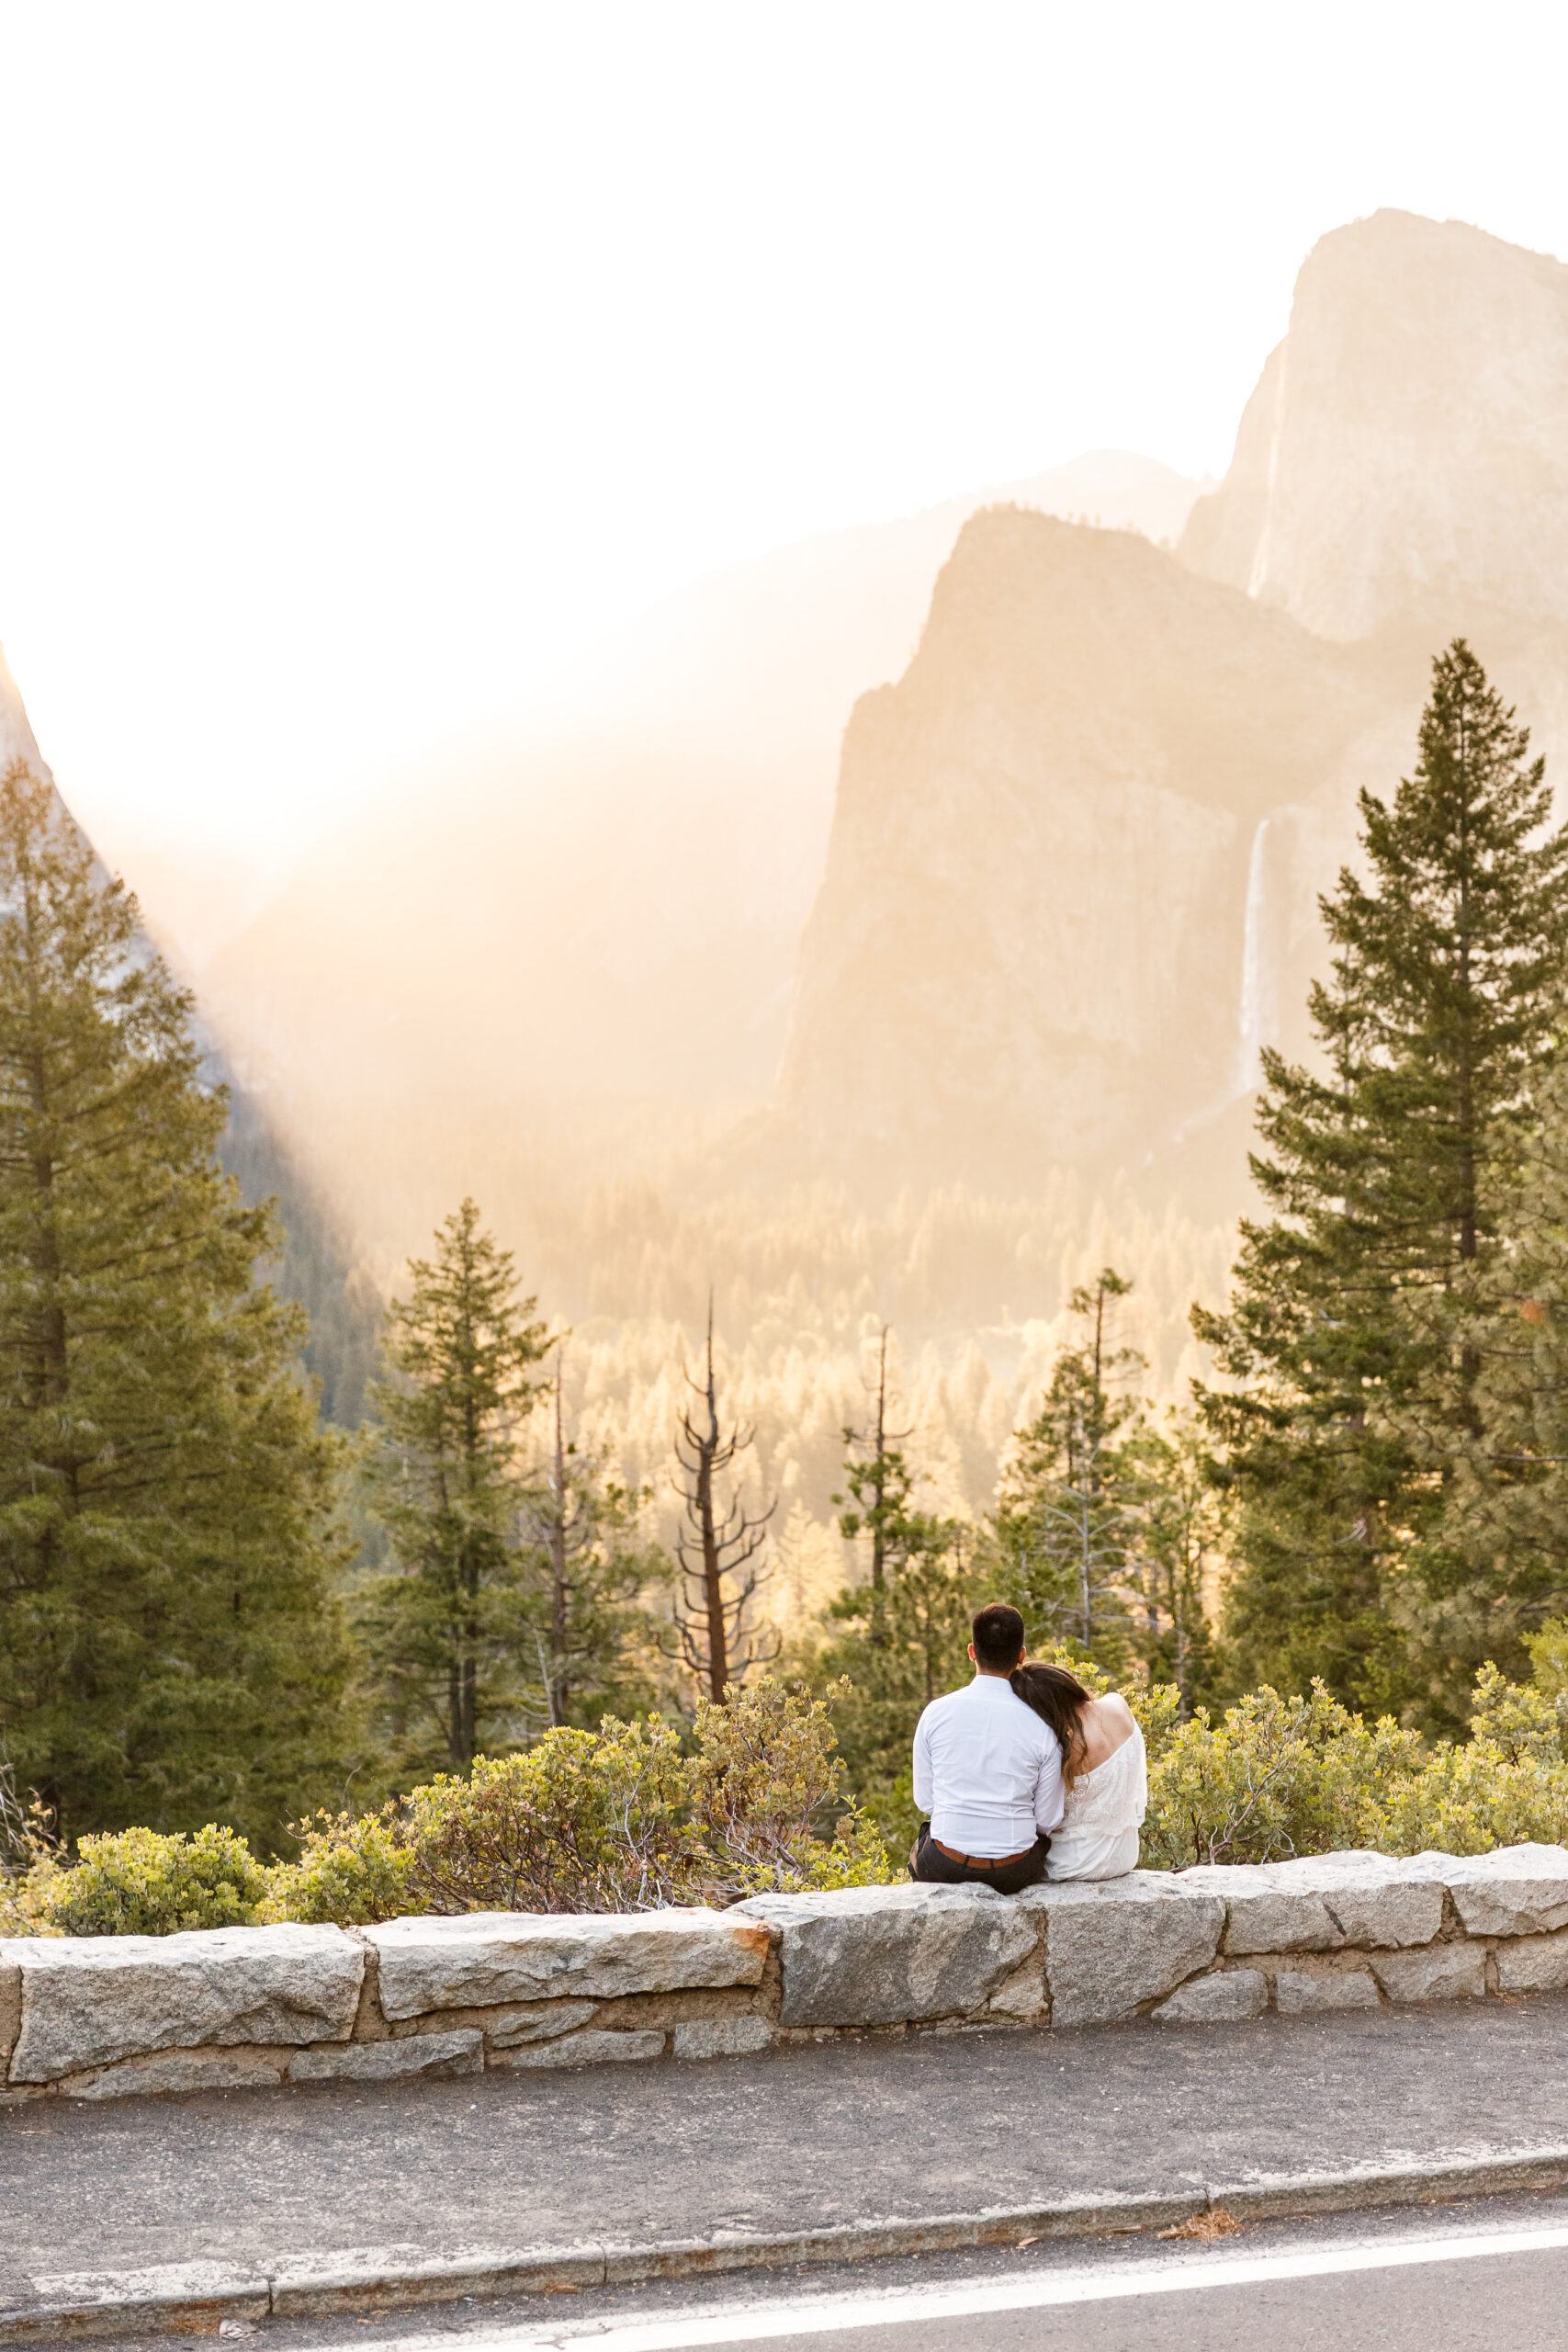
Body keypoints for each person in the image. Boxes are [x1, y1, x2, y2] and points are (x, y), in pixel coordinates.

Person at [908, 1602, 1064, 1894]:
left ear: (971, 1651)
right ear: (1021, 1656)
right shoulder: (1042, 1727)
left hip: (945, 1864)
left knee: (920, 1845)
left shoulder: (935, 1713)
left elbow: (926, 1803)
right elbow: (1047, 1820)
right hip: (1013, 1870)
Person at [1010, 1661, 1145, 1879]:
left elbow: (1043, 1820)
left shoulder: (1065, 1749)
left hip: (1075, 1862)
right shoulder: (1117, 1704)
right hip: (1125, 1855)